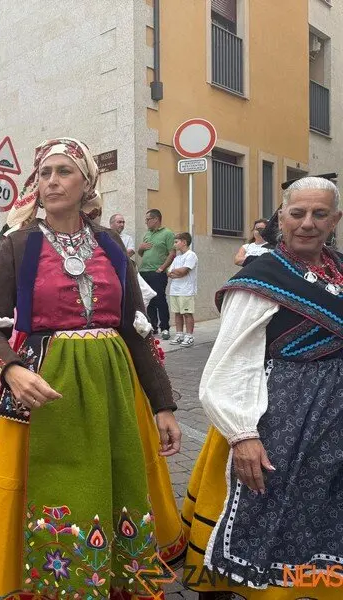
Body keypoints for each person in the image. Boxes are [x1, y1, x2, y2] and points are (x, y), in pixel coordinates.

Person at [0, 138, 186, 600]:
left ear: (87, 183)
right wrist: (12, 371)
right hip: (46, 388)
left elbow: (135, 327)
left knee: (118, 479)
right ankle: (60, 582)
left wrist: (163, 403)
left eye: (63, 171)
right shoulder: (19, 246)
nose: (51, 181)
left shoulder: (112, 245)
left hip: (112, 389)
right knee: (59, 486)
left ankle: (117, 580)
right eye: (44, 173)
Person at [181, 176, 343, 600]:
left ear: (335, 220)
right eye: (297, 213)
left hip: (331, 423)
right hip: (270, 419)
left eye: (319, 214)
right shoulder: (263, 275)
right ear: (281, 218)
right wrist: (243, 435)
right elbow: (231, 362)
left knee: (319, 515)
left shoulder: (340, 269)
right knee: (255, 513)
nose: (307, 223)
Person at [138, 209, 176, 339]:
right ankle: (152, 327)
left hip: (157, 272)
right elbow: (140, 253)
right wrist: (141, 248)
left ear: (156, 219)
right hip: (144, 272)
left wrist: (162, 268)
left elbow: (172, 253)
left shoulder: (168, 233)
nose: (146, 222)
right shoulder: (147, 234)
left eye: (148, 219)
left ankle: (165, 328)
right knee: (149, 301)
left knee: (160, 300)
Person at [167, 232, 198, 348]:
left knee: (187, 313)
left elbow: (184, 271)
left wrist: (178, 272)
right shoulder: (177, 258)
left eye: (176, 242)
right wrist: (177, 272)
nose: (174, 244)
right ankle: (179, 334)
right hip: (174, 290)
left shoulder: (191, 255)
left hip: (186, 290)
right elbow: (169, 273)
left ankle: (189, 335)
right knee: (177, 313)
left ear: (184, 242)